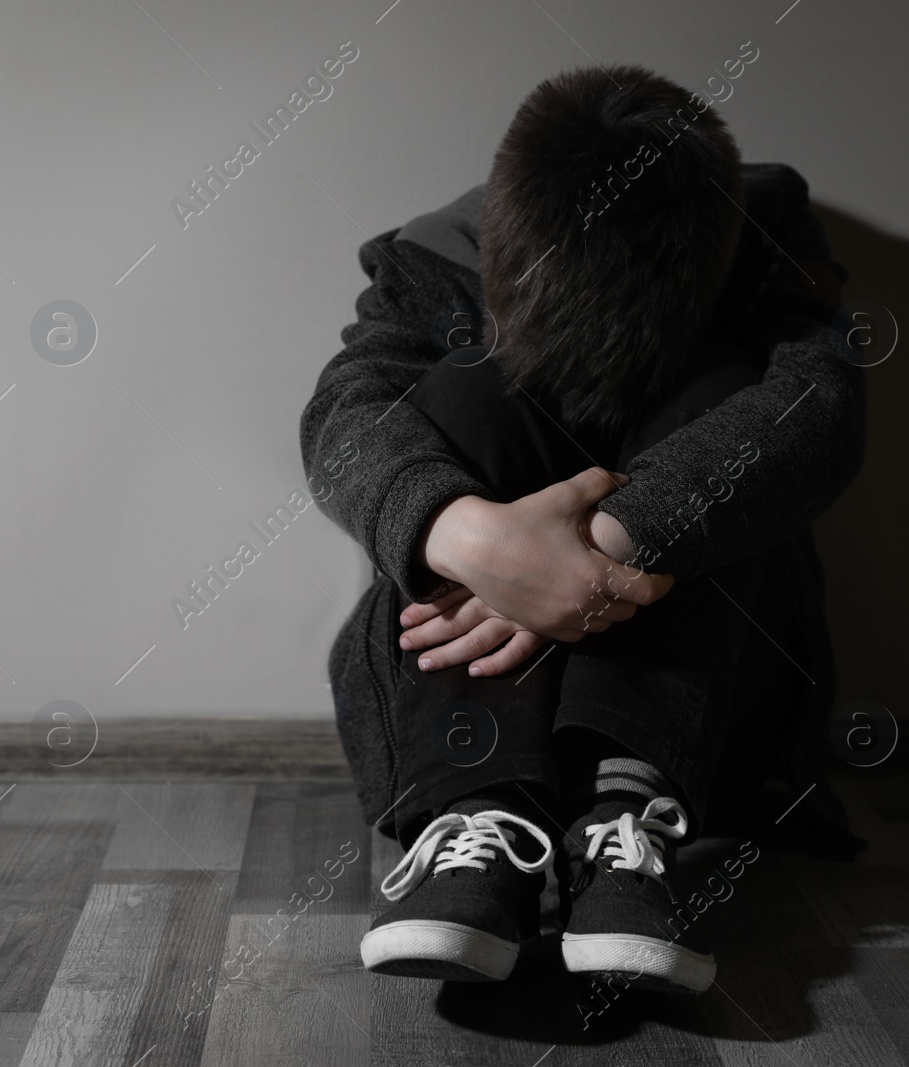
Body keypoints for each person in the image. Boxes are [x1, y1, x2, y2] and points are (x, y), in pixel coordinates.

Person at [298, 65, 866, 992]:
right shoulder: (435, 258)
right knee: (451, 400)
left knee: (737, 399)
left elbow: (823, 405)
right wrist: (474, 541)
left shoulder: (766, 241)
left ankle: (625, 815)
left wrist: (602, 551)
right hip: (462, 708)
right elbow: (345, 413)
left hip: (710, 719)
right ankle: (476, 817)